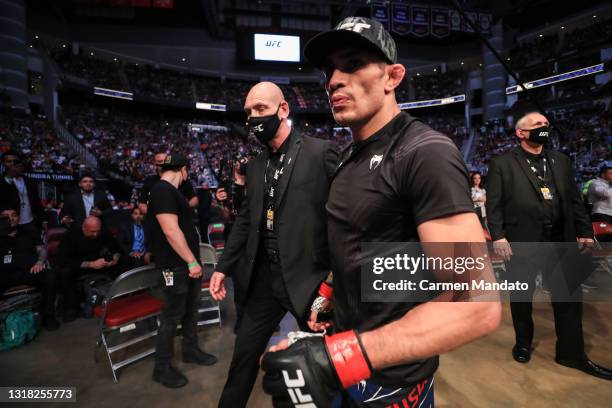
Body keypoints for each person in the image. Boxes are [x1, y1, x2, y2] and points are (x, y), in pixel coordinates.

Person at [260, 17, 501, 407]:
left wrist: (340, 359)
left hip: (391, 378)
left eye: (353, 64)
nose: (334, 80)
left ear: (392, 76)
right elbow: (365, 244)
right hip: (345, 349)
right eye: (329, 72)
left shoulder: (425, 153)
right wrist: (330, 291)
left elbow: (477, 304)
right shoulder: (347, 156)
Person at [209, 81, 338, 407]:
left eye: (261, 109)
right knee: (242, 361)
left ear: (283, 109)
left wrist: (335, 280)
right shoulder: (254, 166)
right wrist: (222, 267)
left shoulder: (321, 152)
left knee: (324, 366)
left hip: (309, 280)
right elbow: (245, 222)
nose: (253, 118)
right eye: (249, 112)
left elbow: (344, 219)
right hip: (264, 282)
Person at [486, 112, 612, 380]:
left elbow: (575, 201)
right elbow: (493, 204)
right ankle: (522, 343)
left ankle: (570, 353)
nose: (544, 127)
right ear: (520, 133)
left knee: (568, 297)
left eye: (545, 124)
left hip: (560, 240)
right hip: (521, 242)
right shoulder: (502, 163)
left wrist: (585, 232)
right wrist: (498, 237)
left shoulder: (561, 161)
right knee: (522, 298)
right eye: (537, 125)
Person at [147, 154, 217, 389]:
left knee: (190, 311)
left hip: (186, 265)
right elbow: (170, 230)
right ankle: (161, 368)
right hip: (175, 266)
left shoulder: (171, 191)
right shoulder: (162, 190)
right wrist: (191, 261)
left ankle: (190, 350)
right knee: (171, 317)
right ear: (183, 170)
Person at [0, 206, 59, 330]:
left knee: (50, 276)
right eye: (6, 216)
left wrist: (40, 262)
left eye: (14, 215)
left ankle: (48, 317)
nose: (11, 219)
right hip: (4, 274)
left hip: (29, 271)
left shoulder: (29, 231)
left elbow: (41, 249)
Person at [55, 216, 124, 322]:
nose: (95, 234)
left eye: (97, 231)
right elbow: (62, 259)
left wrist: (114, 259)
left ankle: (121, 297)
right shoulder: (70, 235)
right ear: (84, 228)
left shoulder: (103, 232)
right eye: (92, 232)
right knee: (64, 273)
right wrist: (90, 264)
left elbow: (117, 249)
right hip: (80, 265)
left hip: (100, 263)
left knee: (126, 261)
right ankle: (72, 308)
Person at [0, 150, 45, 239]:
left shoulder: (30, 181)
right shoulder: (2, 181)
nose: (13, 164)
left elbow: (36, 202)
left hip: (30, 223)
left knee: (34, 250)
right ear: (3, 163)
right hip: (10, 225)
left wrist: (43, 220)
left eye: (15, 161)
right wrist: (9, 176)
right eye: (9, 162)